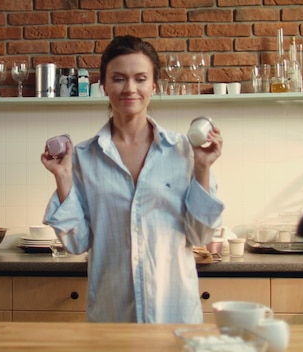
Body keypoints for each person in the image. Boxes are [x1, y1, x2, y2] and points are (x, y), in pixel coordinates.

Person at [40, 35, 224, 323]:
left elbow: (200, 237)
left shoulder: (184, 151)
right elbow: (77, 244)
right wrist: (63, 176)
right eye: (118, 78)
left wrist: (202, 167)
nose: (129, 89)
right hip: (112, 316)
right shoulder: (84, 158)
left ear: (154, 85)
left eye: (140, 78)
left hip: (174, 315)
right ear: (103, 86)